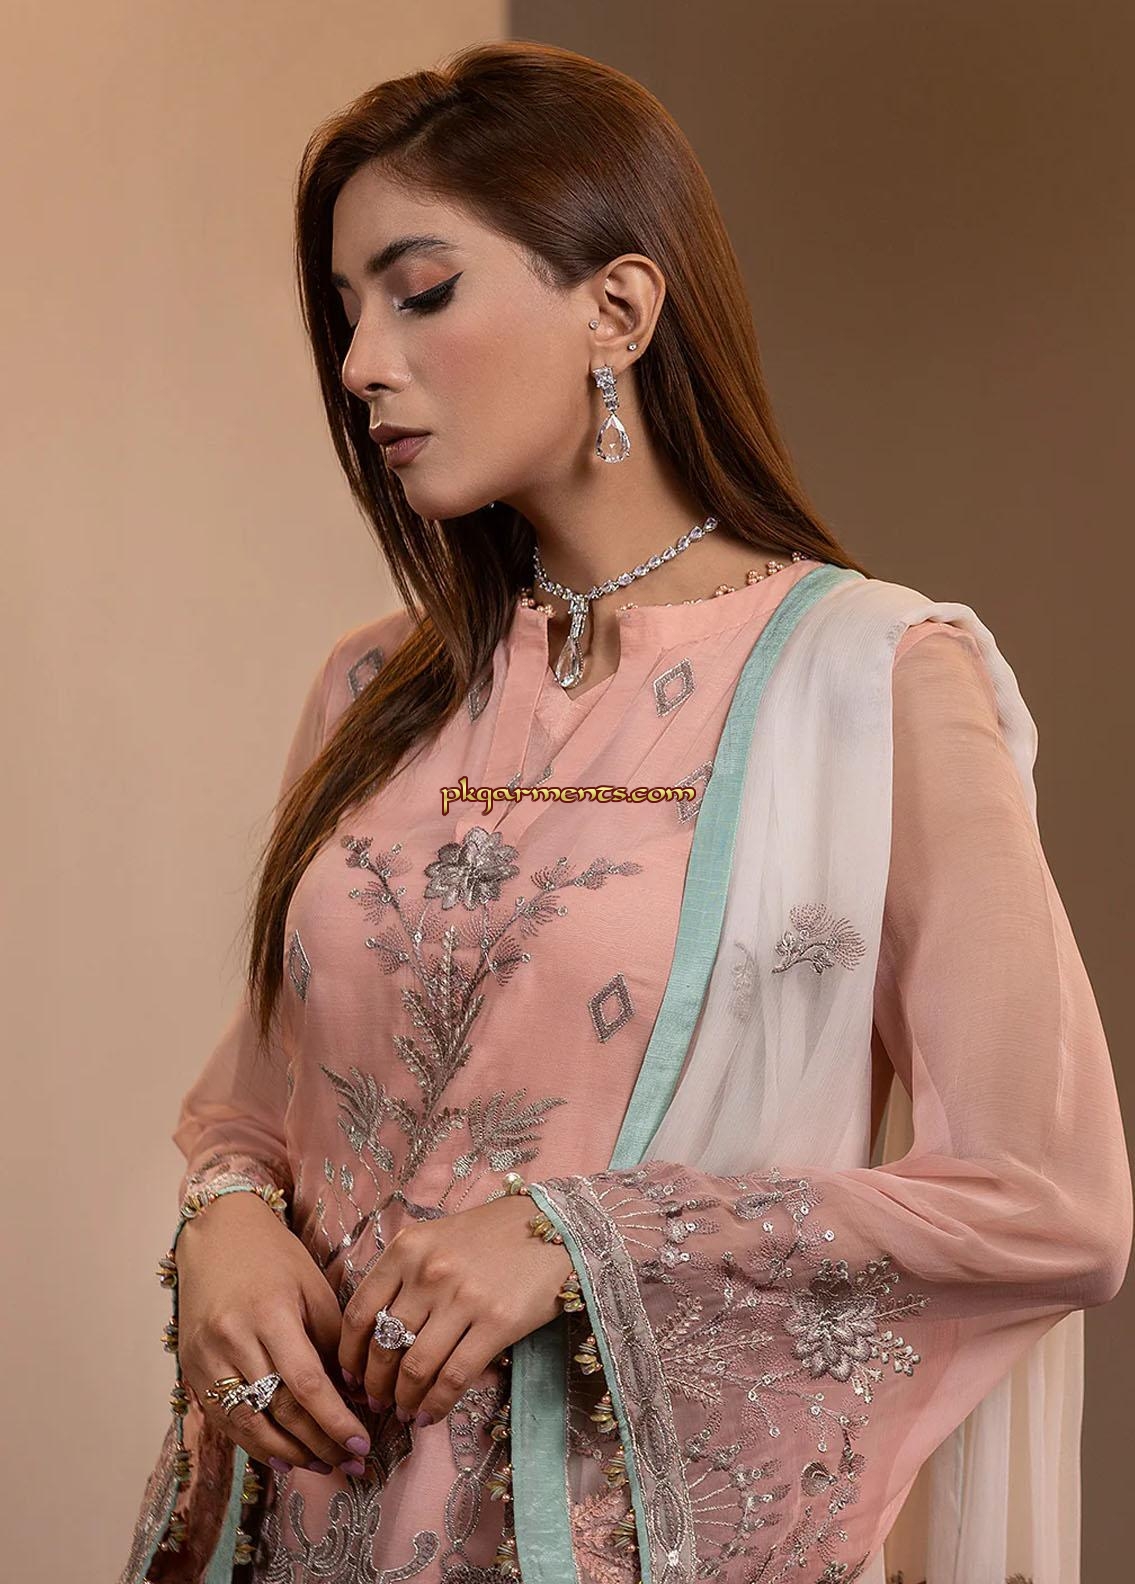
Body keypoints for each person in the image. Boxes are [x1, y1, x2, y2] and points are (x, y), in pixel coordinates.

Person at [120, 40, 1131, 1584]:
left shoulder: (866, 687)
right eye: (346, 310)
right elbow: (255, 1106)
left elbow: (1052, 1204)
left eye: (421, 292)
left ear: (619, 310)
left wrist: (578, 1238)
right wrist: (223, 1225)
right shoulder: (373, 689)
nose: (361, 362)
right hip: (309, 1529)